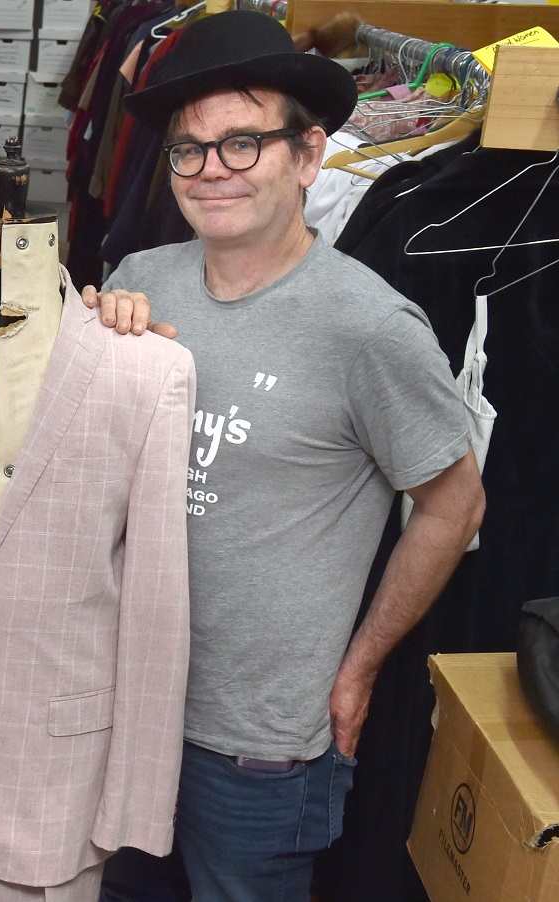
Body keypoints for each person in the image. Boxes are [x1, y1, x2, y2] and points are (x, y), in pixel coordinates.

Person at [80, 11, 486, 902]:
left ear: (308, 157)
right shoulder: (136, 281)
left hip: (259, 746)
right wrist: (92, 346)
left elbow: (457, 505)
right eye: (189, 150)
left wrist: (360, 666)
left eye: (242, 144)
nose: (211, 171)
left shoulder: (369, 326)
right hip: (121, 708)